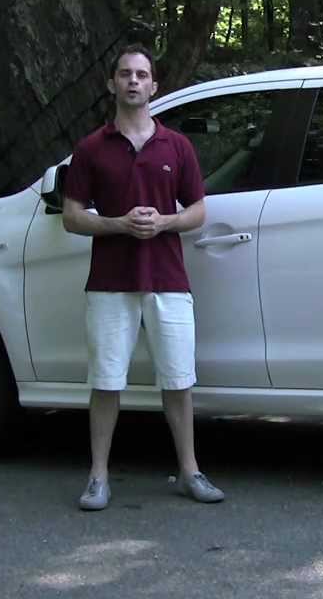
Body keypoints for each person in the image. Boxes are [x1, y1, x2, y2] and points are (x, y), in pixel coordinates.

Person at [61, 44, 224, 511]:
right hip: (109, 283)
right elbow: (71, 216)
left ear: (154, 86)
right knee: (106, 381)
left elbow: (198, 210)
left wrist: (165, 221)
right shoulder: (90, 148)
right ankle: (98, 477)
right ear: (111, 84)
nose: (133, 81)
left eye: (141, 74)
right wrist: (118, 224)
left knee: (178, 380)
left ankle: (190, 472)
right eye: (125, 74)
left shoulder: (177, 146)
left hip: (169, 280)